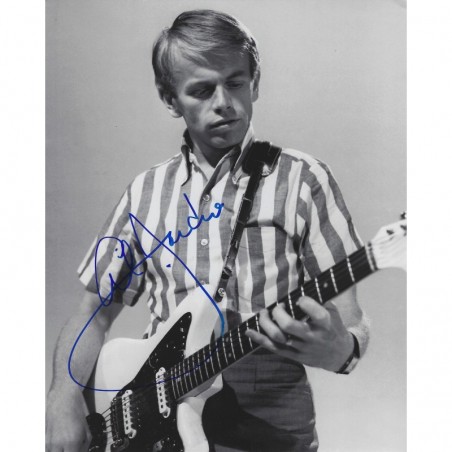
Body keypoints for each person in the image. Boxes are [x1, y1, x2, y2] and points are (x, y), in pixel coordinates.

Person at [46, 9, 369, 452]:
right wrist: (62, 399)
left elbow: (351, 321)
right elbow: (92, 314)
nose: (224, 102)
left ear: (255, 82)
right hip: (156, 415)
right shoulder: (145, 192)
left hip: (268, 416)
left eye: (235, 83)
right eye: (201, 90)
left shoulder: (302, 179)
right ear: (170, 99)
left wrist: (341, 350)